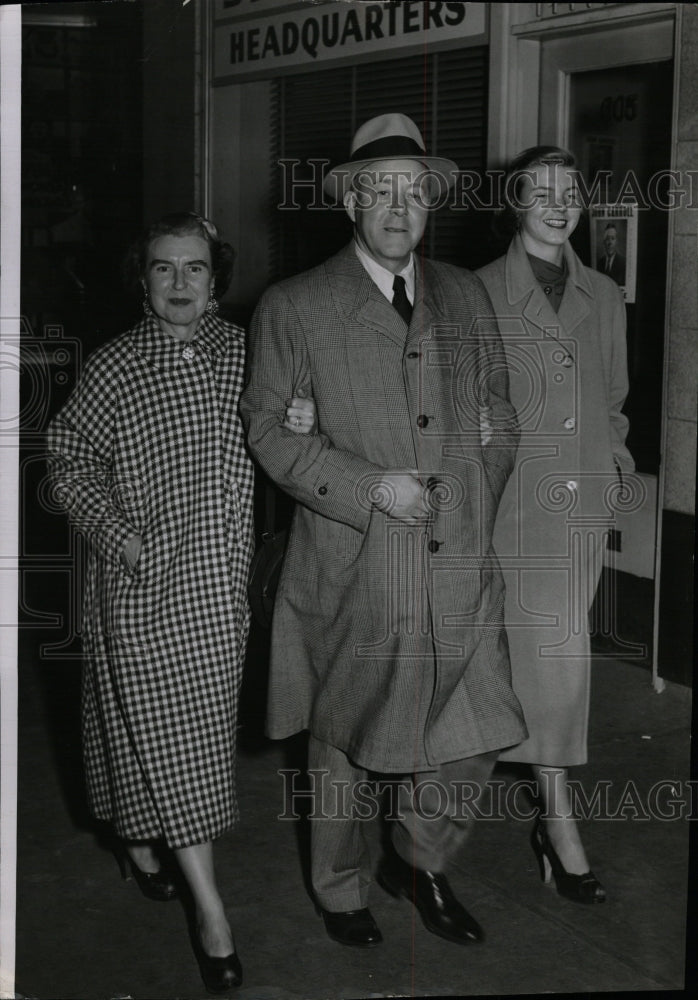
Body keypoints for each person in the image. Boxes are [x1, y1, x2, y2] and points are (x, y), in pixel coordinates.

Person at [241, 113, 527, 948]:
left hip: (460, 559)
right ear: (350, 202)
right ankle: (338, 888)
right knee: (345, 742)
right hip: (354, 563)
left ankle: (422, 859)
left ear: (431, 204)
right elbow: (270, 431)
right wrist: (371, 488)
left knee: (469, 729)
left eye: (416, 191)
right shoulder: (295, 305)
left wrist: (479, 477)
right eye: (381, 189)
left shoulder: (465, 291)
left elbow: (498, 408)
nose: (400, 206)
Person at [46, 212, 254, 992]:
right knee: (166, 734)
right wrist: (118, 536)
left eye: (194, 269)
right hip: (141, 587)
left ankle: (137, 838)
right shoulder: (113, 366)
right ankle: (212, 912)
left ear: (215, 279)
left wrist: (300, 417)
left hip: (220, 589)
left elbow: (282, 428)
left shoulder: (245, 352)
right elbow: (66, 462)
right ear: (141, 280)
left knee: (177, 739)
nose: (178, 283)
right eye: (163, 269)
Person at [476, 147, 634, 903]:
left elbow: (612, 401)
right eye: (540, 191)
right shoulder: (475, 292)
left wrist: (617, 470)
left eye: (569, 192)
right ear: (514, 202)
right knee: (540, 673)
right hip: (514, 514)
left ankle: (549, 816)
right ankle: (559, 824)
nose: (557, 203)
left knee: (558, 675)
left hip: (581, 515)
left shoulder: (603, 293)